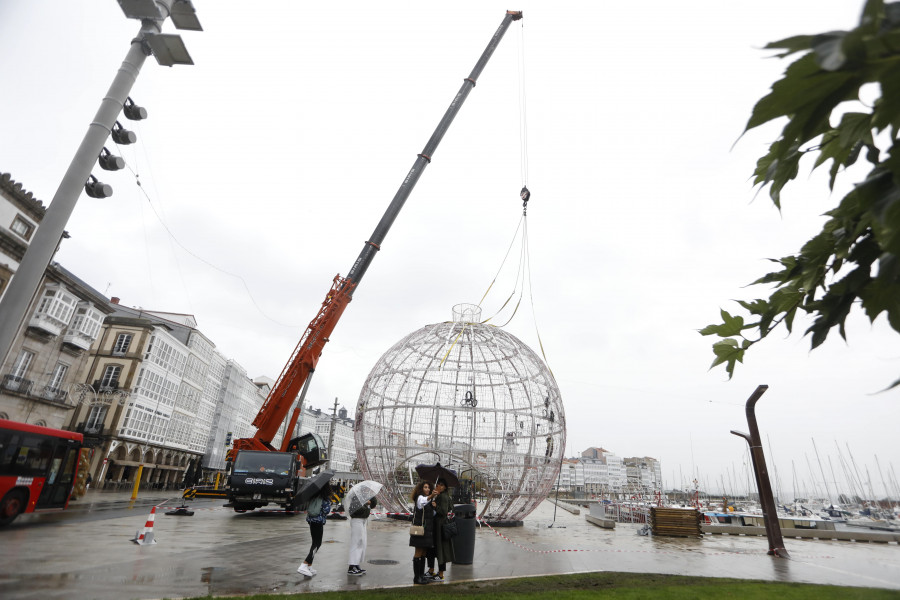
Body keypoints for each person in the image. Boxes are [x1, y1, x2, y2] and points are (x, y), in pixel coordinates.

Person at [297, 482, 333, 577]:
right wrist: (329, 503)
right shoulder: (325, 498)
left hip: (311, 521)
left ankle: (309, 565)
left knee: (314, 543)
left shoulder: (314, 496)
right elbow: (326, 511)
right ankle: (304, 564)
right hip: (318, 522)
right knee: (317, 544)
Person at [409, 480, 437, 585]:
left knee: (424, 553)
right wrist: (431, 497)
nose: (428, 489)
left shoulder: (429, 500)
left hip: (427, 531)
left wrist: (433, 507)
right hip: (420, 531)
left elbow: (431, 514)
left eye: (429, 487)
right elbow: (423, 501)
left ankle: (421, 575)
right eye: (425, 487)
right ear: (421, 489)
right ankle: (417, 577)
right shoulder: (420, 498)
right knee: (418, 552)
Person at [428, 478, 456, 581]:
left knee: (441, 550)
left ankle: (440, 574)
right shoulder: (441, 496)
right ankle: (436, 572)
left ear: (443, 487)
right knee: (437, 550)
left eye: (439, 485)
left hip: (440, 526)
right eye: (437, 484)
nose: (437, 486)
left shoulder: (443, 496)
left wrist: (435, 506)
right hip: (438, 525)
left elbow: (444, 511)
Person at [347, 495, 377, 576]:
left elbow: (373, 504)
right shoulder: (356, 497)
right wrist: (365, 503)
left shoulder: (365, 495)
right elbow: (357, 510)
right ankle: (351, 566)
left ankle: (356, 564)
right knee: (356, 542)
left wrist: (370, 501)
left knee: (362, 543)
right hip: (357, 520)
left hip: (363, 520)